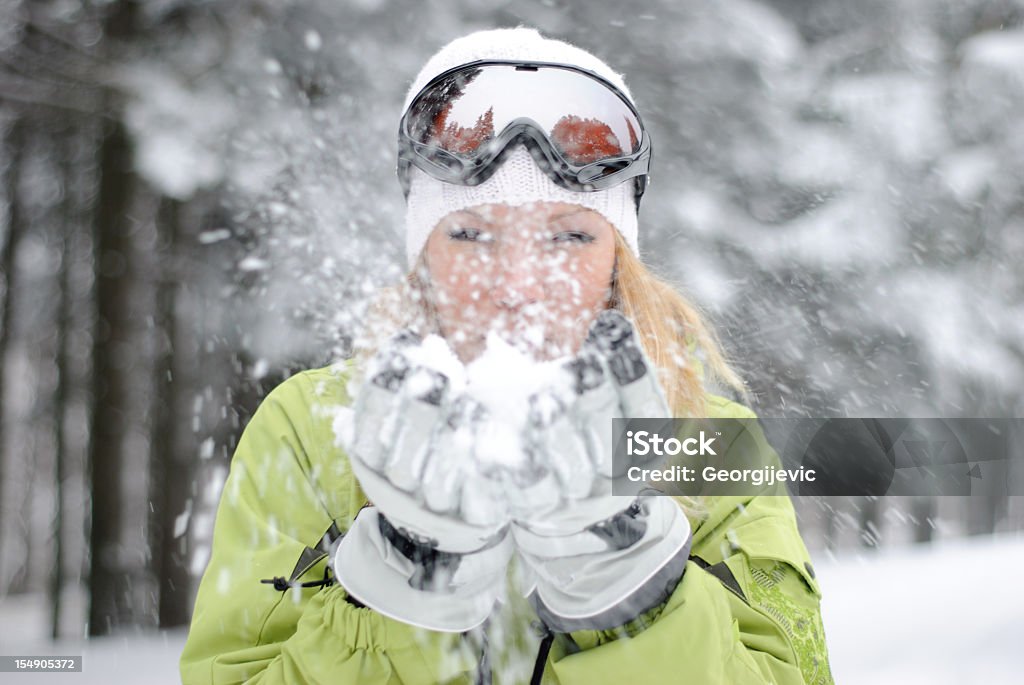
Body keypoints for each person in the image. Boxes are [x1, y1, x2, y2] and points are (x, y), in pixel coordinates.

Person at [180, 27, 834, 685]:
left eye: (570, 235)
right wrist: (410, 587)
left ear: (617, 259)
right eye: (471, 233)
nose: (520, 286)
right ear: (422, 255)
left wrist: (630, 589)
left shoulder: (709, 441)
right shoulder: (312, 428)